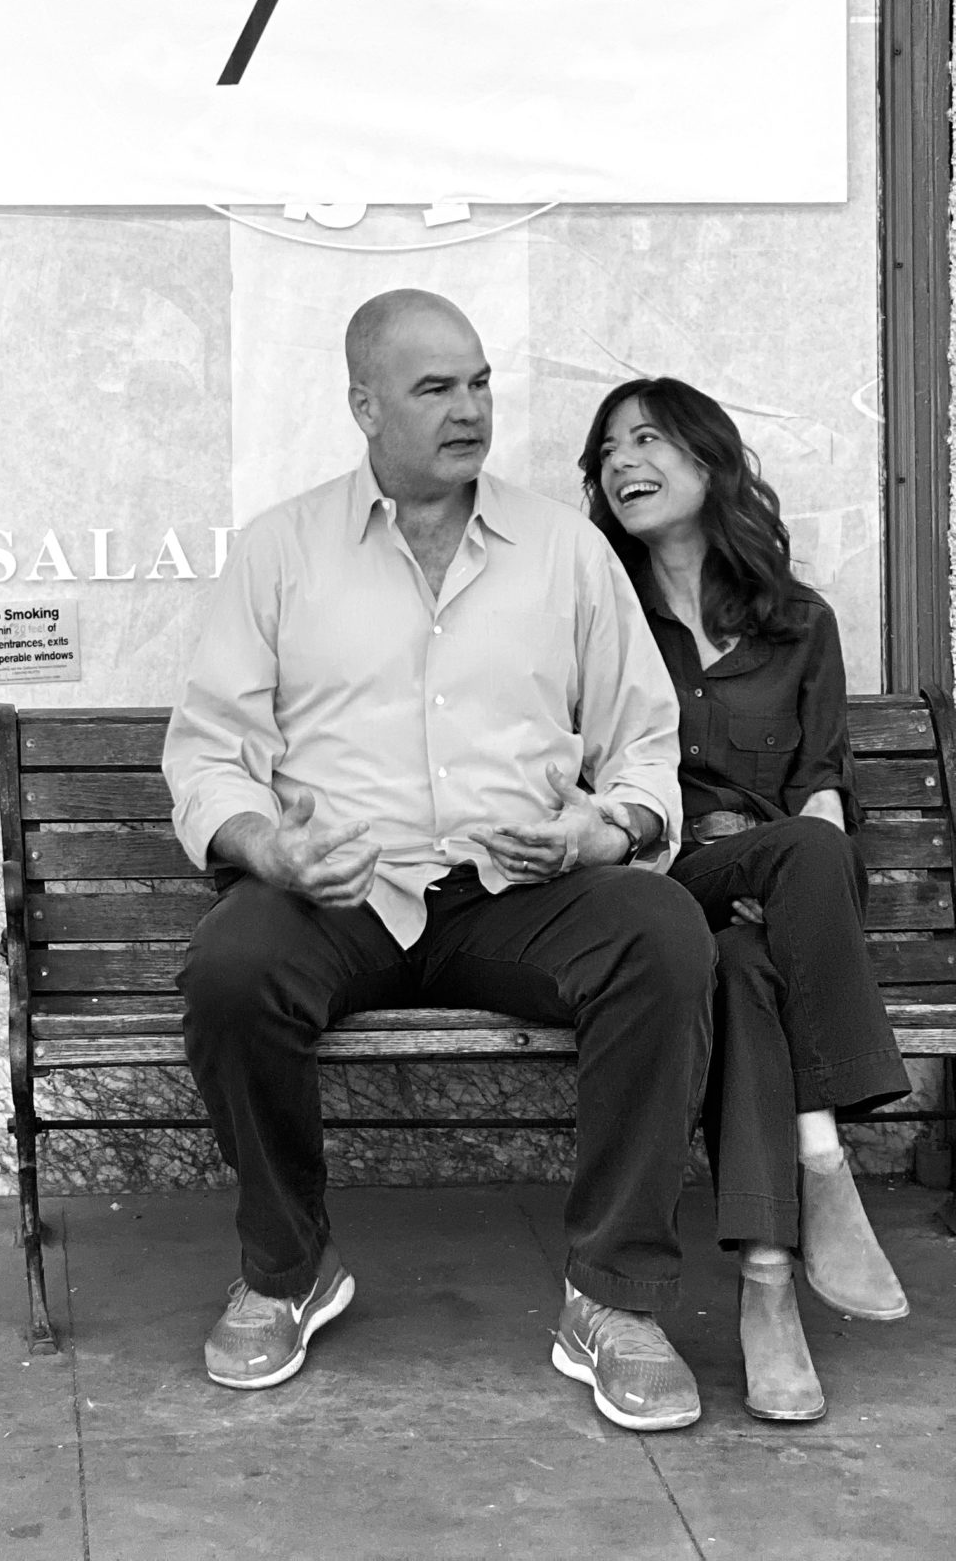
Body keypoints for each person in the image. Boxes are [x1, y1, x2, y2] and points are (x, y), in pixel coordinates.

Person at [166, 289, 714, 1431]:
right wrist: (268, 844)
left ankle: (611, 1295)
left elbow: (645, 742)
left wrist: (603, 831)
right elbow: (211, 755)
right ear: (364, 405)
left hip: (521, 885)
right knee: (230, 966)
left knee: (661, 936)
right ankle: (287, 1268)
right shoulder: (281, 550)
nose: (469, 411)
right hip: (344, 889)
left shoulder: (564, 549)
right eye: (434, 388)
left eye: (479, 383)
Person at [581, 377, 910, 1425]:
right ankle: (830, 1169)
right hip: (661, 875)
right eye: (608, 449)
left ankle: (773, 1274)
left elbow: (822, 784)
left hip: (783, 895)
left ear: (710, 462)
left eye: (649, 439)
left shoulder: (797, 622)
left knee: (759, 948)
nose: (622, 460)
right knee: (751, 900)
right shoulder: (595, 614)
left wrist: (789, 880)